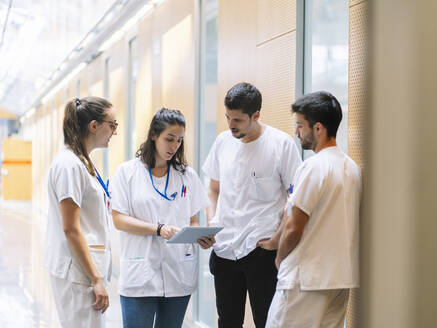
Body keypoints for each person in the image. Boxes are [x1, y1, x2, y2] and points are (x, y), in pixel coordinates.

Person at [202, 82, 302, 327]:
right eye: (227, 117)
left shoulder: (281, 144)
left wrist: (276, 241)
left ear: (256, 115)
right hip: (225, 249)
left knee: (266, 322)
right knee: (227, 321)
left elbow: (296, 198)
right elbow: (213, 189)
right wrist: (212, 222)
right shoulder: (222, 142)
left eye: (237, 120)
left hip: (261, 251)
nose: (230, 125)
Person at [265, 91, 362, 328]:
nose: (297, 132)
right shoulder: (352, 168)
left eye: (300, 125)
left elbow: (294, 227)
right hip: (339, 278)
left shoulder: (314, 167)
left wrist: (279, 259)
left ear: (318, 128)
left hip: (305, 280)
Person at [110, 108, 214, 328]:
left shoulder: (187, 175)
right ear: (154, 135)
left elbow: (192, 220)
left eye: (179, 140)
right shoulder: (127, 173)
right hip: (140, 273)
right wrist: (158, 229)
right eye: (169, 139)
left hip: (178, 271)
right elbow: (119, 219)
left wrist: (199, 236)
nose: (174, 146)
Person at [44, 97, 117, 328]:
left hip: (84, 270)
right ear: (94, 125)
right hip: (79, 274)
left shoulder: (82, 162)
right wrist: (95, 279)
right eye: (112, 125)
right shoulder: (69, 166)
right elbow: (71, 228)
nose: (114, 132)